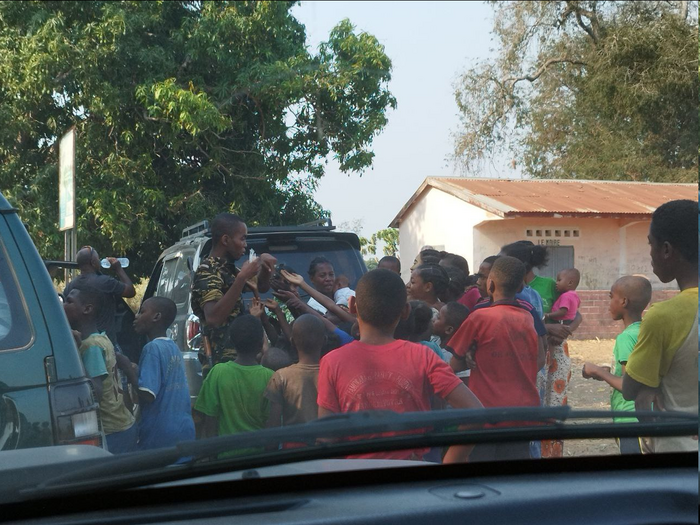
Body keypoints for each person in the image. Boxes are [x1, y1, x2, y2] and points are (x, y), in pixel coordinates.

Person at [317, 269, 484, 463]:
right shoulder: (423, 356)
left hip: (358, 475)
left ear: (352, 305)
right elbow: (476, 413)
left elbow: (325, 437)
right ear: (405, 311)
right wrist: (450, 463)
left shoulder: (332, 361)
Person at [622, 199, 698, 453]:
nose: (650, 253)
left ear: (666, 249)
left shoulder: (664, 316)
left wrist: (650, 385)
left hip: (680, 453)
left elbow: (629, 388)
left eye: (650, 244)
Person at [448, 256, 541, 462]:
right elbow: (540, 360)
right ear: (520, 287)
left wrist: (473, 356)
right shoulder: (528, 318)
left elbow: (453, 365)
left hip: (485, 414)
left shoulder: (479, 317)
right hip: (523, 413)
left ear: (490, 284)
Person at [500, 240, 581, 458]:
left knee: (551, 406)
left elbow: (575, 313)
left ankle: (550, 455)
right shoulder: (507, 290)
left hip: (551, 352)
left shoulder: (547, 286)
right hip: (530, 354)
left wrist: (564, 330)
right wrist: (548, 328)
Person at [191, 213, 277, 372]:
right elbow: (213, 318)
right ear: (225, 240)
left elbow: (261, 287)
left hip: (241, 361)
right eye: (242, 239)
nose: (245, 244)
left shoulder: (227, 268)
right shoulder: (208, 270)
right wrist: (242, 277)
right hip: (221, 364)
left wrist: (265, 268)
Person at [62, 279, 136, 454]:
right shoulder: (102, 338)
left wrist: (75, 355)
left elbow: (96, 392)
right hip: (124, 425)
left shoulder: (91, 346)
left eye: (69, 302)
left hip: (112, 433)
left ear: (87, 309)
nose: (63, 305)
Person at [583, 276, 652, 454]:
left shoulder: (626, 338)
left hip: (630, 419)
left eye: (611, 296)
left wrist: (597, 371)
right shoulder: (646, 331)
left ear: (623, 301)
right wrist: (610, 373)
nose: (609, 303)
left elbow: (629, 386)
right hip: (648, 415)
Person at [194, 315, 275, 455]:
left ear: (231, 342)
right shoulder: (271, 377)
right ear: (260, 344)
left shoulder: (218, 372)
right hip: (260, 457)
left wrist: (212, 455)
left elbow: (210, 419)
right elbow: (272, 423)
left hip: (226, 458)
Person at [131, 297, 195, 450]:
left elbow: (148, 394)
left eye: (142, 312)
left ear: (156, 317)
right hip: (184, 430)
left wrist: (128, 370)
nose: (136, 316)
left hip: (159, 434)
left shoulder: (152, 348)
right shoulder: (172, 346)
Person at [64, 246, 136, 348]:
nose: (100, 261)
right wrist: (118, 269)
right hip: (105, 343)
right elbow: (130, 292)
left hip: (81, 343)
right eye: (98, 259)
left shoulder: (70, 286)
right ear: (93, 262)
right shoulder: (105, 282)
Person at [266, 314, 324, 429]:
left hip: (295, 440)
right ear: (325, 340)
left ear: (292, 341)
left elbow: (273, 425)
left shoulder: (281, 376)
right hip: (329, 439)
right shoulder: (333, 373)